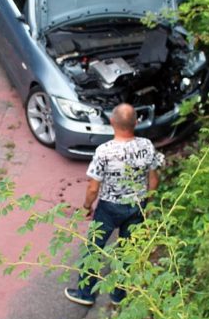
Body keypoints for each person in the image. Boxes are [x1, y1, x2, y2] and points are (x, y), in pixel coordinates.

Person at [64, 103, 164, 307]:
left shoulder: (104, 151)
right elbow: (154, 178)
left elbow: (93, 188)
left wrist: (86, 206)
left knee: (94, 248)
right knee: (127, 250)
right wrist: (147, 202)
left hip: (109, 207)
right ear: (136, 123)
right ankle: (119, 295)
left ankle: (85, 293)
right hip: (137, 205)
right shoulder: (146, 145)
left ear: (111, 122)